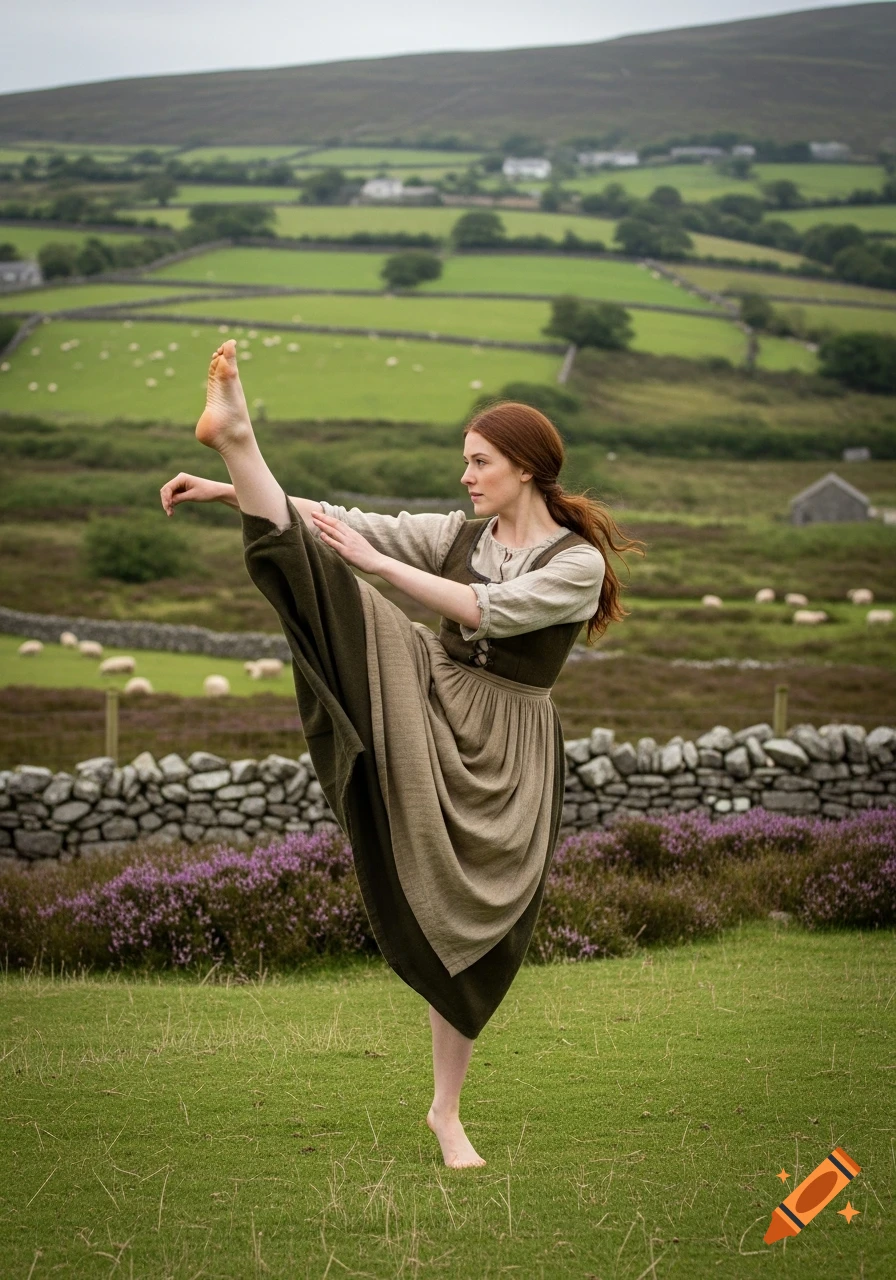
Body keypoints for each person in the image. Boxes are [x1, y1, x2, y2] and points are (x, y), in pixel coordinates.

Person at [160, 339, 641, 1169]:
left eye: (480, 461)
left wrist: (377, 562)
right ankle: (238, 443)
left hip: (509, 746)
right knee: (330, 580)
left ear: (526, 468)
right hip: (430, 692)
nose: (466, 476)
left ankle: (444, 1112)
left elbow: (487, 609)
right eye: (466, 460)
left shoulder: (577, 564)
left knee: (481, 918)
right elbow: (345, 523)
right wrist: (231, 487)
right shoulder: (460, 532)